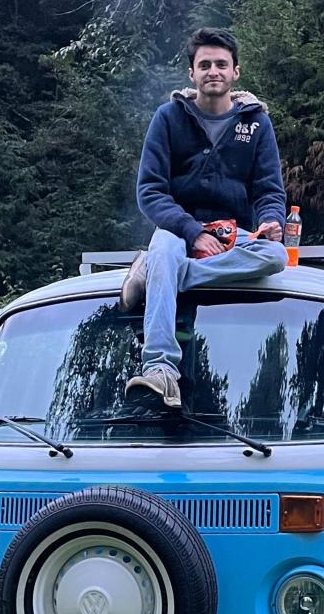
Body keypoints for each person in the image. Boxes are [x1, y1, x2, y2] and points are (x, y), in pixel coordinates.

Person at [122, 27, 288, 410]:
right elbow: (150, 191)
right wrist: (192, 233)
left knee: (275, 257)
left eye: (221, 64)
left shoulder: (257, 124)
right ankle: (161, 370)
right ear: (192, 74)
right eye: (205, 64)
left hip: (233, 236)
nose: (213, 71)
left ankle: (157, 275)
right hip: (177, 231)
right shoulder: (168, 118)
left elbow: (268, 190)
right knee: (164, 246)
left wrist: (270, 222)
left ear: (236, 72)